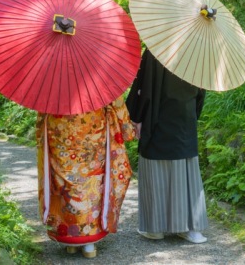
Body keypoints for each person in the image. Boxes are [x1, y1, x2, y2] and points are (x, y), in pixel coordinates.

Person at [36, 95, 136, 258]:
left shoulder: (52, 76)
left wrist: (41, 130)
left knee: (63, 184)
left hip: (60, 133)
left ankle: (69, 238)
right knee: (91, 182)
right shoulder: (99, 75)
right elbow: (116, 101)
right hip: (92, 132)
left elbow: (42, 106)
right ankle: (89, 243)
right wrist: (126, 129)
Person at [125, 49, 209, 244]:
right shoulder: (196, 50)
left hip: (156, 117)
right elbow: (201, 91)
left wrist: (136, 116)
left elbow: (143, 89)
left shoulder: (156, 49)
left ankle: (155, 229)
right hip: (184, 118)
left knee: (156, 169)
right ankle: (191, 228)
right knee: (185, 171)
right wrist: (193, 114)